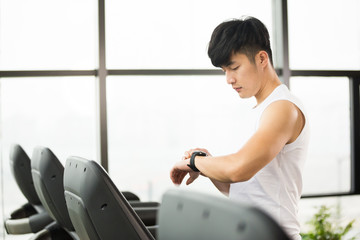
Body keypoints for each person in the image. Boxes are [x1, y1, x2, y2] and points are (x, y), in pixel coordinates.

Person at [170, 16, 310, 240]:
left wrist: (194, 162)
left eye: (234, 67)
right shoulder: (262, 110)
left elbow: (238, 169)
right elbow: (244, 190)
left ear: (262, 58)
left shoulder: (282, 108)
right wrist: (206, 163)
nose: (228, 79)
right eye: (224, 70)